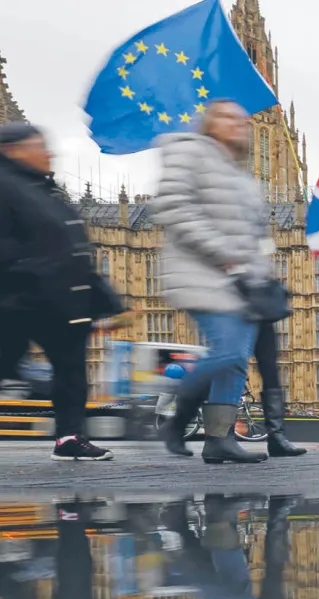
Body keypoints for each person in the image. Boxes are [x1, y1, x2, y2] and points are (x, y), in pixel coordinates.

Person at [149, 100, 268, 464]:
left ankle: (218, 439)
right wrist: (222, 252)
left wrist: (262, 276)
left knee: (235, 362)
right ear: (208, 123)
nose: (239, 125)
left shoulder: (239, 173)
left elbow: (253, 232)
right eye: (228, 118)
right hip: (202, 274)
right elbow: (172, 206)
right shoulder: (189, 153)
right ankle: (176, 415)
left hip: (240, 284)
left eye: (242, 119)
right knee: (229, 352)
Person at [0, 123, 123, 460]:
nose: (49, 153)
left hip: (57, 299)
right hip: (22, 297)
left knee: (70, 371)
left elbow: (74, 252)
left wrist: (109, 303)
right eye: (39, 146)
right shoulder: (8, 187)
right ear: (14, 150)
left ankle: (69, 437)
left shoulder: (46, 191)